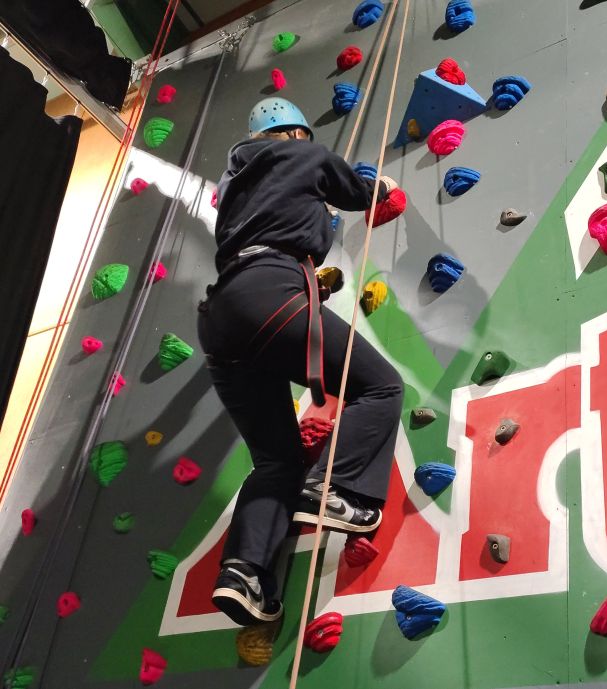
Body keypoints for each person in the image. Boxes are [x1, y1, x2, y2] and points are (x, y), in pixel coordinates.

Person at [196, 97, 404, 627]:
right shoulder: (300, 156)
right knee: (380, 388)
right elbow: (356, 190)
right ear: (293, 135)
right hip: (271, 291)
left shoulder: (237, 188)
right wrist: (377, 187)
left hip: (222, 317)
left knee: (276, 459)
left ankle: (245, 573)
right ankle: (337, 489)